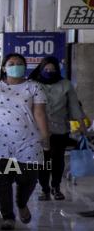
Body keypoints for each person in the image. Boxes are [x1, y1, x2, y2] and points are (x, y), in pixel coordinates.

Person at [0, 53, 50, 230]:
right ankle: (8, 216)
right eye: (11, 63)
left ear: (25, 67)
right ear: (4, 68)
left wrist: (45, 137)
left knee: (28, 178)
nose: (15, 66)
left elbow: (39, 113)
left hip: (28, 139)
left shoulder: (34, 87)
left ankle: (21, 203)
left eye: (19, 63)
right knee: (2, 181)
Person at [28, 57, 86, 201]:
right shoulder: (32, 84)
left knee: (58, 160)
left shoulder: (65, 84)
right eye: (46, 69)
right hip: (38, 129)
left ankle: (56, 187)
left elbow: (74, 105)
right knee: (42, 160)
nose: (49, 72)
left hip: (60, 128)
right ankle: (44, 189)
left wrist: (82, 125)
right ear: (41, 69)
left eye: (53, 70)